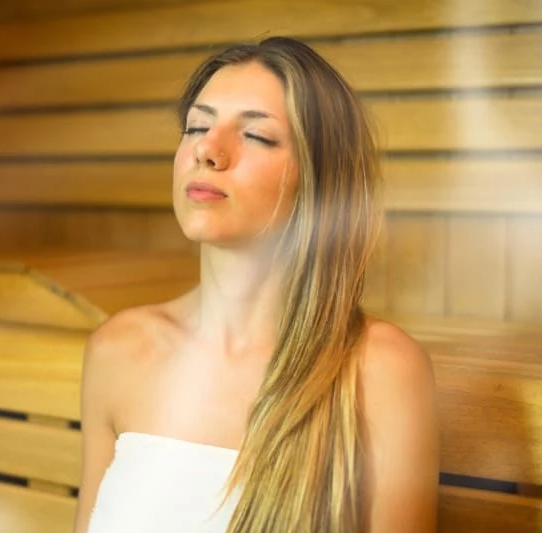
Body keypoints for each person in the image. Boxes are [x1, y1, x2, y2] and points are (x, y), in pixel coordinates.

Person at [72, 36, 439, 533]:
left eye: (257, 136)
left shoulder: (378, 371)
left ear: (320, 181)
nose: (207, 149)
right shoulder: (119, 350)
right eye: (197, 127)